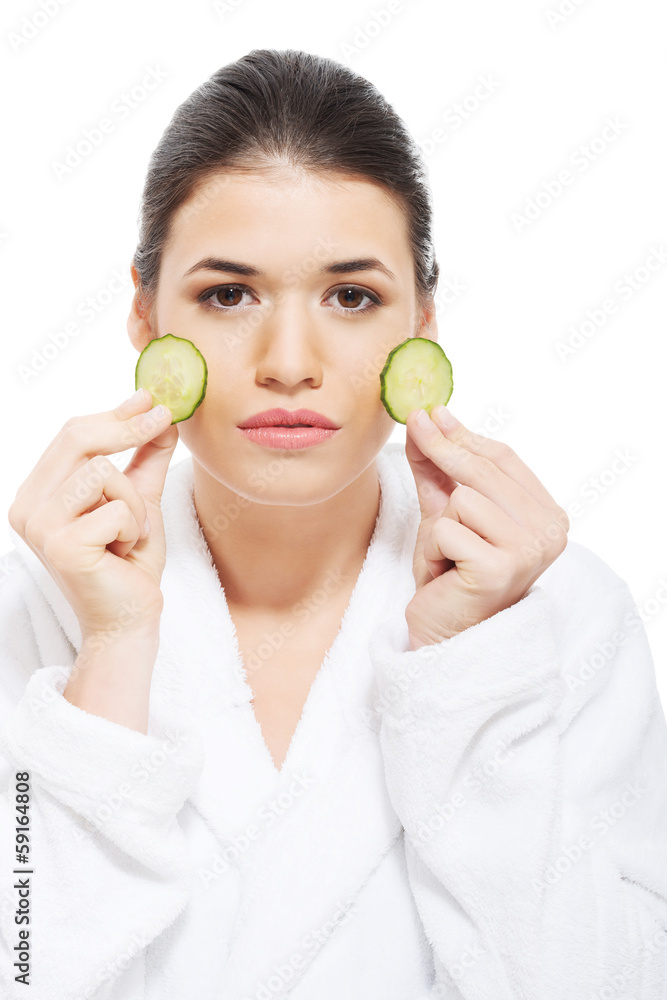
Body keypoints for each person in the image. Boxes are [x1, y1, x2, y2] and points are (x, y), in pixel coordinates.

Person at [1, 47, 666, 1000]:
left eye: (351, 297)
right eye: (228, 294)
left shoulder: (560, 610)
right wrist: (112, 646)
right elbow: (26, 970)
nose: (289, 362)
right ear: (145, 318)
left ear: (421, 324)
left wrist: (469, 671)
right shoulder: (36, 605)